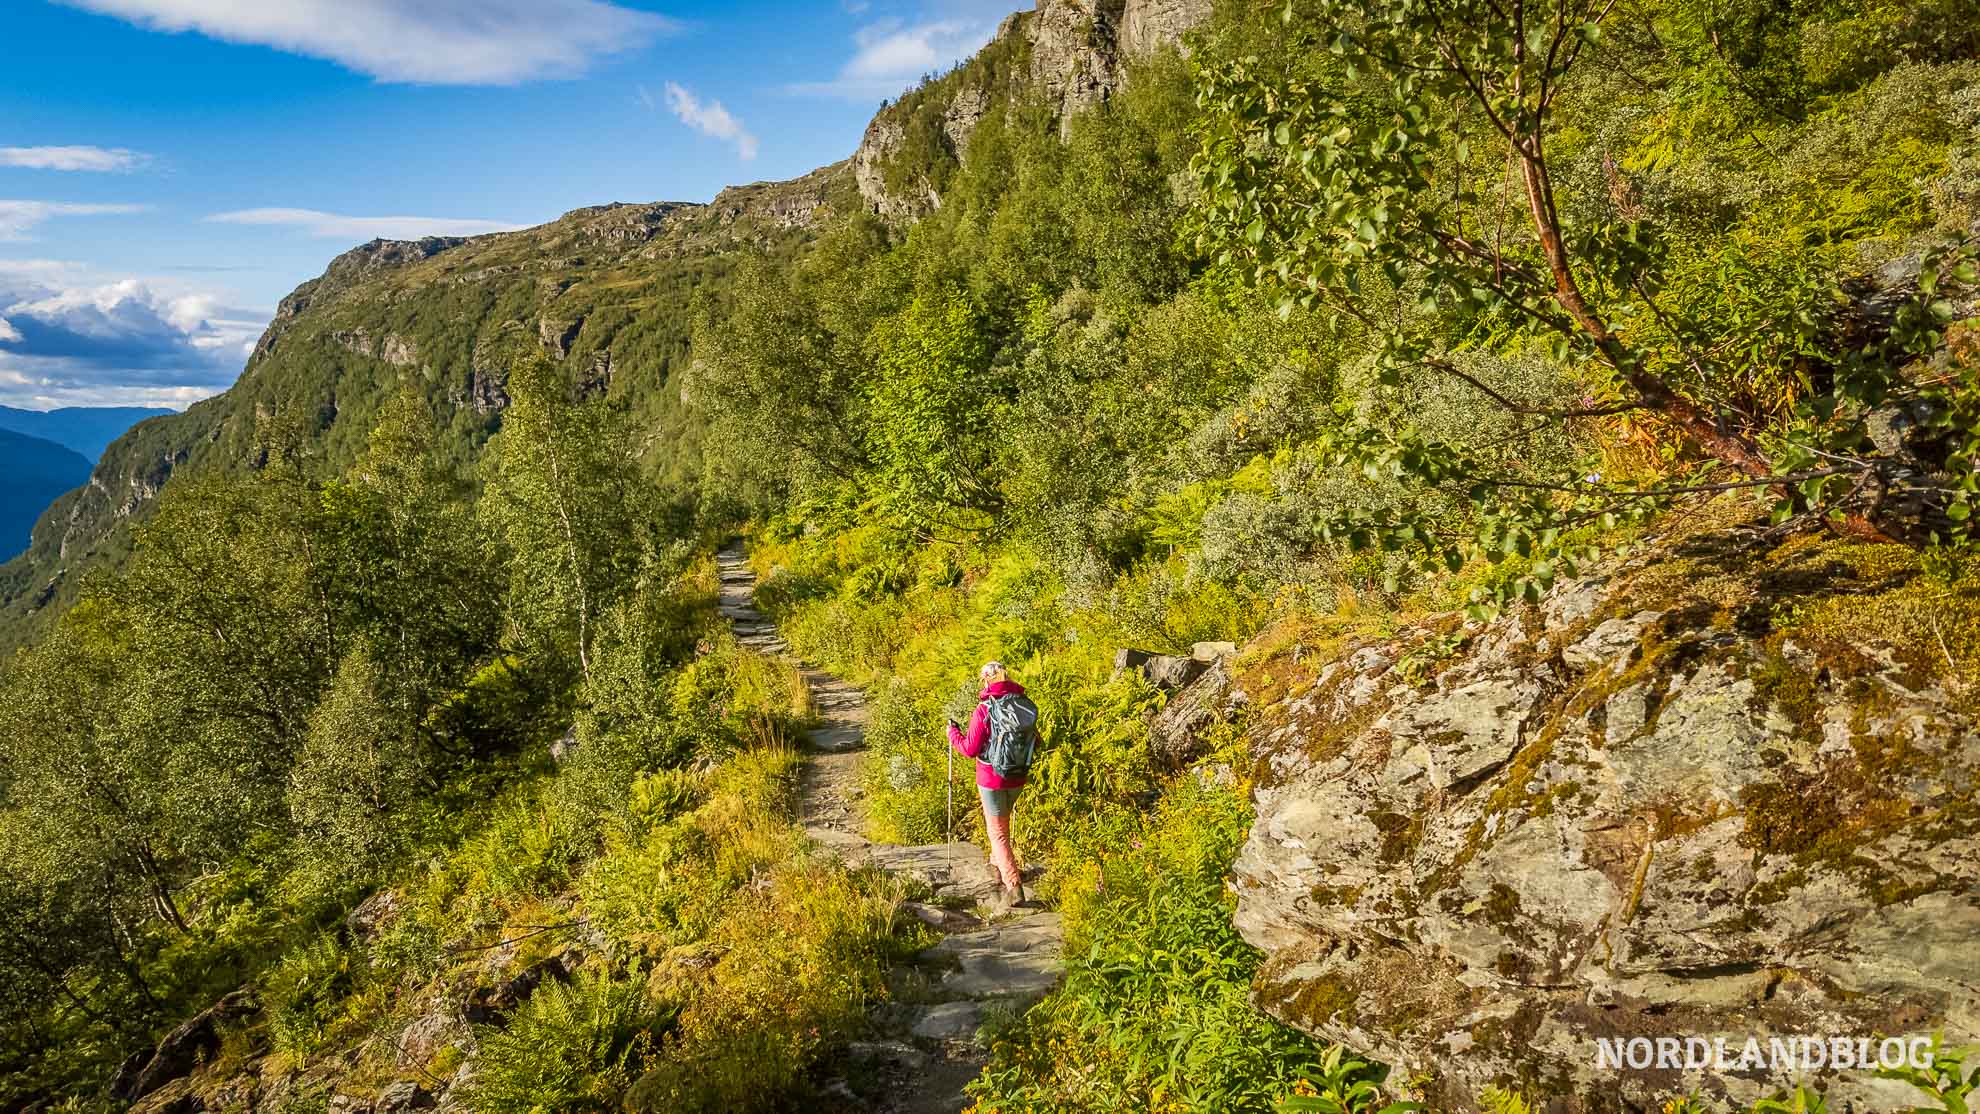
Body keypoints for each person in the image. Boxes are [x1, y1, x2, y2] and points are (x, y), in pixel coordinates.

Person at [946, 660, 1035, 910]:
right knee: (1002, 825)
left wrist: (953, 734)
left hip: (991, 778)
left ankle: (1013, 885)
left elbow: (970, 748)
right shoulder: (1023, 705)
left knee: (997, 833)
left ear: (986, 681)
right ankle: (996, 865)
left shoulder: (984, 710)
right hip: (1018, 776)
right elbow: (1035, 740)